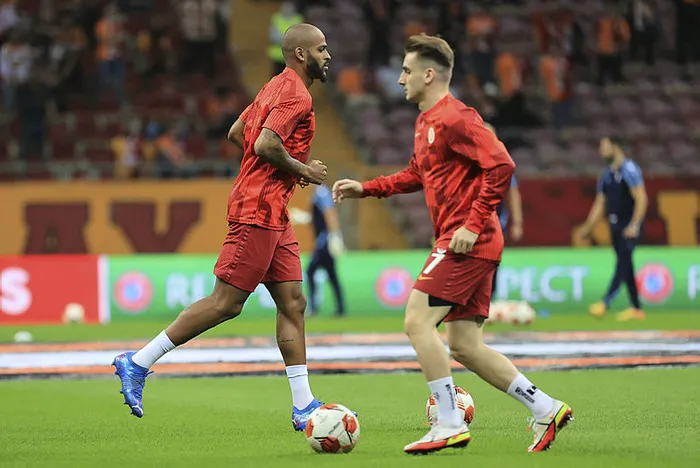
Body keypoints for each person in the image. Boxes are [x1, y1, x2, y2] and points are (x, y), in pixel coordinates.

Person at [332, 34, 572, 455]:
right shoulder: (425, 122)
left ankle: (448, 421)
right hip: (466, 240)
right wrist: (366, 188)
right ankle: (545, 408)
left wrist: (473, 226)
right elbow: (416, 174)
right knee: (464, 344)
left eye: (406, 70)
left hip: (467, 241)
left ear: (429, 74)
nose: (400, 79)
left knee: (416, 321)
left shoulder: (457, 117)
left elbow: (503, 165)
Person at [113, 23, 332, 432]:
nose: (327, 55)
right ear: (301, 54)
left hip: (274, 209)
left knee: (293, 302)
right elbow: (265, 144)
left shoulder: (273, 87)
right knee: (226, 303)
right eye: (321, 49)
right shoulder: (297, 95)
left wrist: (281, 172)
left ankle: (303, 405)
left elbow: (238, 133)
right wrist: (302, 169)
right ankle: (138, 362)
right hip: (257, 209)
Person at [579, 135, 648, 322]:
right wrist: (588, 227)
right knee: (626, 265)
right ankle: (636, 308)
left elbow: (641, 198)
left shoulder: (629, 170)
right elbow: (600, 204)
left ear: (615, 147)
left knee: (622, 262)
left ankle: (605, 302)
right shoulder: (606, 175)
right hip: (615, 225)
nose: (601, 151)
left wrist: (635, 224)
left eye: (604, 146)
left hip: (629, 226)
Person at [484, 123, 523, 300]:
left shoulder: (501, 163)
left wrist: (518, 223)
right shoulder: (464, 161)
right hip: (467, 223)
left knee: (491, 262)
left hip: (495, 221)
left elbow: (513, 193)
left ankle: (488, 300)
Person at [306, 184, 346, 317]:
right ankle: (340, 308)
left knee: (311, 271)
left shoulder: (321, 192)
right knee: (332, 275)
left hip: (324, 241)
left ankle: (314, 307)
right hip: (325, 240)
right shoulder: (318, 193)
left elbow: (329, 213)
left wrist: (335, 236)